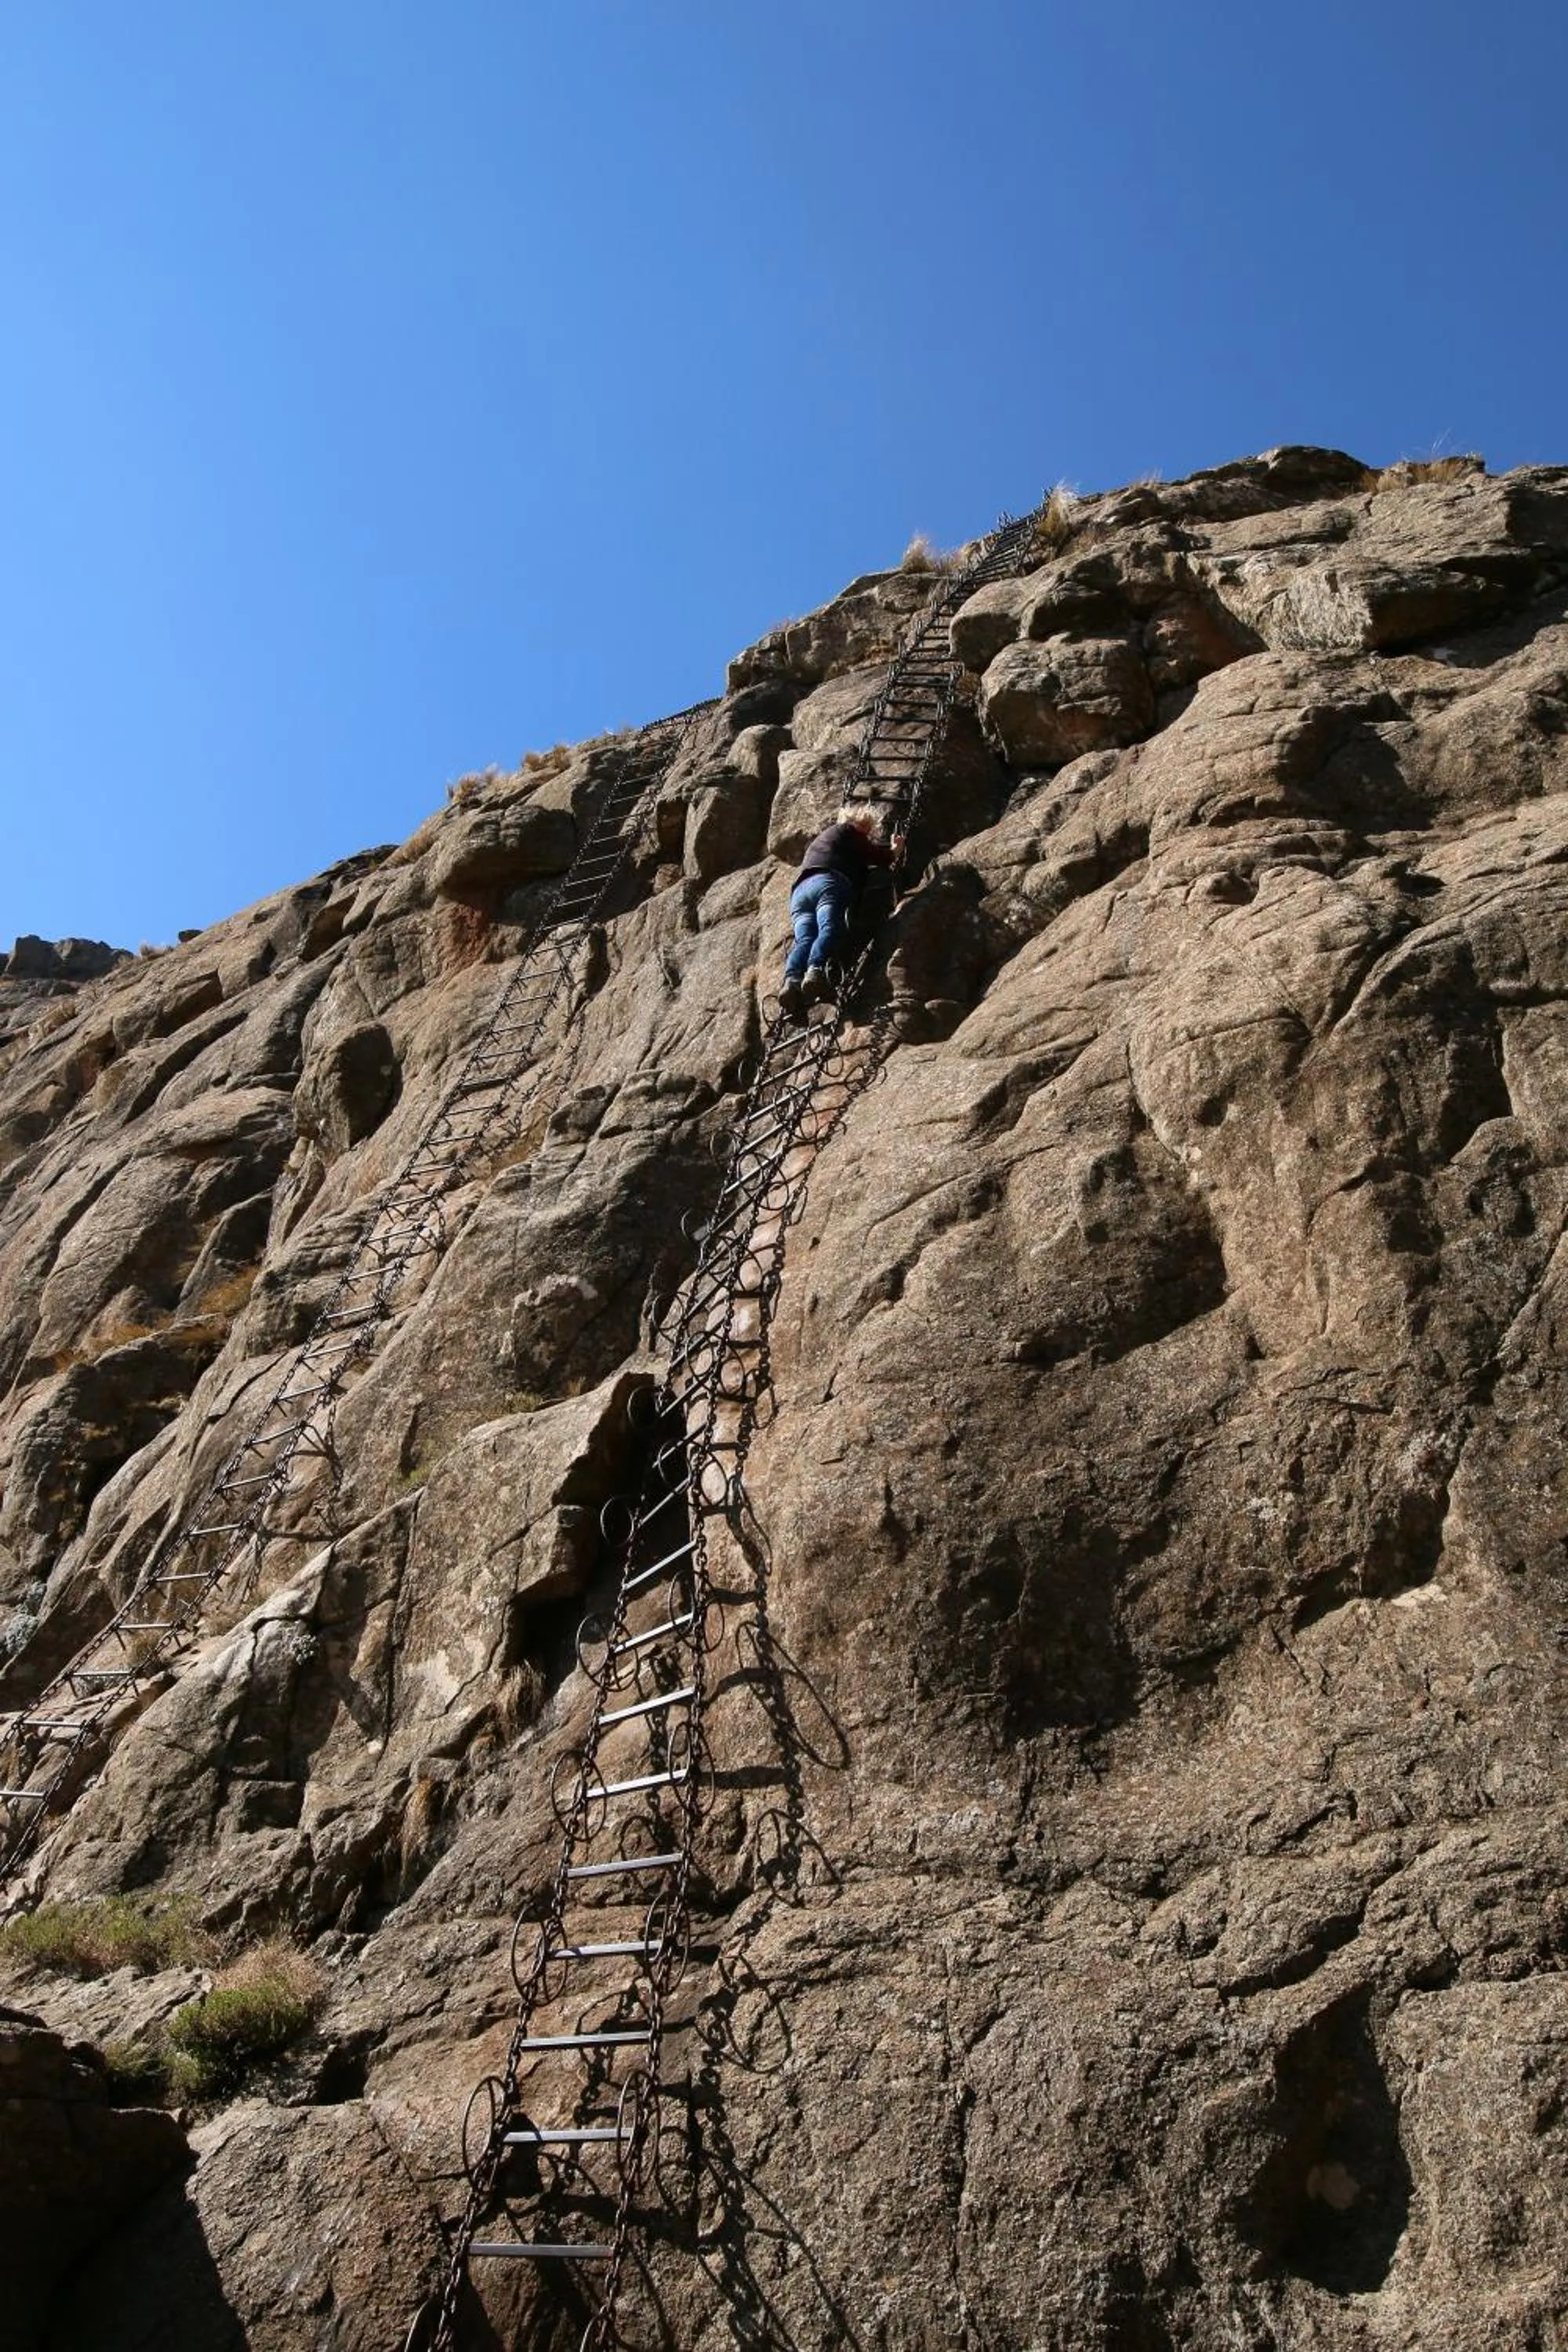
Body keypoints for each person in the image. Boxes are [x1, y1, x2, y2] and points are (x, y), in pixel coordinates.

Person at [779, 806, 906, 1018]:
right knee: (829, 926)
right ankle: (815, 969)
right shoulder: (849, 832)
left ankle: (791, 981)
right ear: (860, 824)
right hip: (827, 883)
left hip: (800, 893)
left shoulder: (820, 842)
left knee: (804, 939)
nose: (868, 834)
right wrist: (895, 849)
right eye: (867, 829)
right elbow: (880, 857)